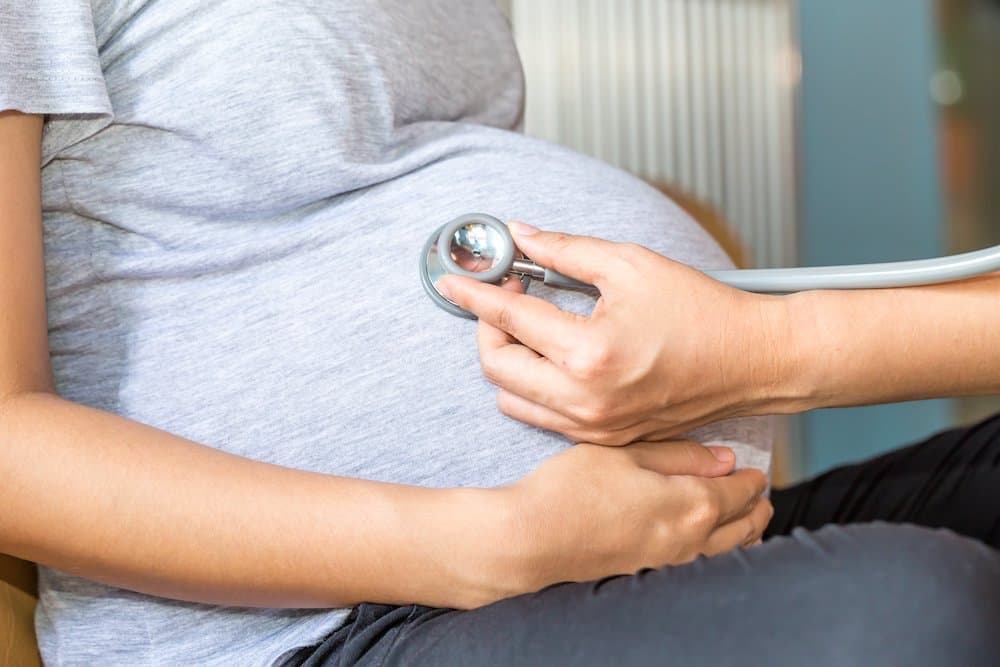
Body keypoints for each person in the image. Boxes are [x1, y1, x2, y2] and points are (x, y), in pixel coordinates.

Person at [0, 2, 996, 666]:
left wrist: (764, 352)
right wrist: (488, 543)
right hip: (312, 631)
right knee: (911, 614)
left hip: (631, 545)